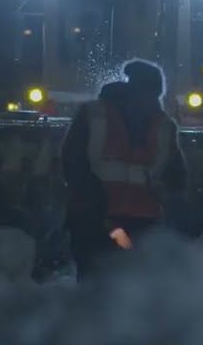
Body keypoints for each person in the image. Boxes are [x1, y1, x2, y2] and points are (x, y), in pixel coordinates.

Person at [61, 59, 189, 280]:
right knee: (99, 284)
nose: (152, 101)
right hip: (96, 221)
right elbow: (72, 162)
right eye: (148, 93)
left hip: (140, 223)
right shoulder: (94, 115)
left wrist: (170, 197)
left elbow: (177, 177)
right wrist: (91, 201)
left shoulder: (163, 126)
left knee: (130, 289)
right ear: (133, 90)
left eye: (156, 95)